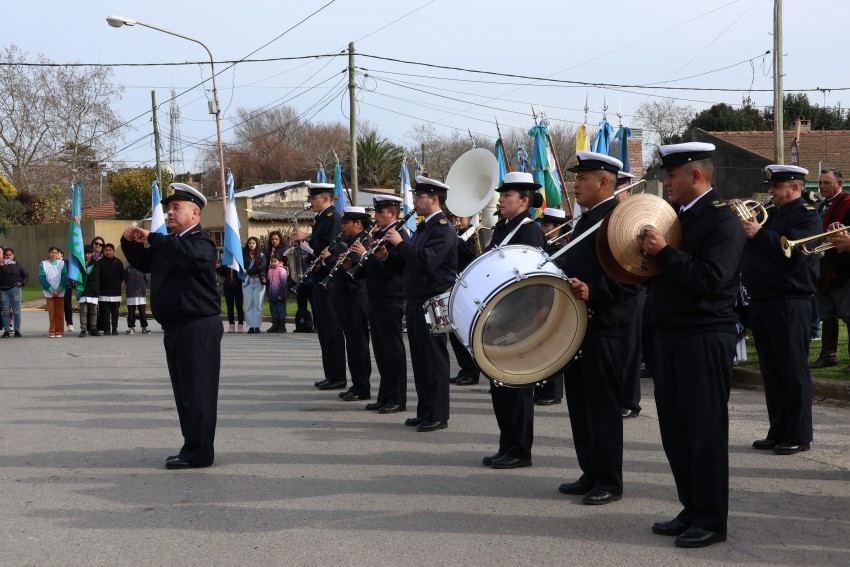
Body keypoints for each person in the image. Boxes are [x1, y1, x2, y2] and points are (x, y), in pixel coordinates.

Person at [640, 142, 745, 548]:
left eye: (672, 175)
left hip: (705, 335)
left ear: (695, 176)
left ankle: (712, 518)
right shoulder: (677, 218)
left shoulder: (723, 222)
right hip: (671, 334)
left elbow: (712, 279)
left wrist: (665, 253)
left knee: (704, 430)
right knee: (675, 430)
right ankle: (691, 505)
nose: (666, 182)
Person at [554, 153, 640, 503]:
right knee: (580, 404)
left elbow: (633, 276)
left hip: (605, 324)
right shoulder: (585, 219)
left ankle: (609, 480)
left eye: (583, 178)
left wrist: (596, 292)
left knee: (603, 407)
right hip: (578, 325)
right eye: (577, 178)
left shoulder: (619, 218)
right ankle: (590, 470)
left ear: (604, 182)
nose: (575, 184)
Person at [121, 182, 223, 469]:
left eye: (176, 208)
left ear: (195, 214)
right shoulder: (170, 244)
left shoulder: (201, 242)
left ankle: (201, 452)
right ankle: (191, 446)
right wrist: (129, 241)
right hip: (176, 327)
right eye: (168, 209)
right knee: (184, 392)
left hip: (198, 326)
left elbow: (190, 257)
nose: (169, 213)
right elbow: (144, 260)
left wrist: (154, 238)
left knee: (198, 392)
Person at [741, 164, 819, 456]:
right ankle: (778, 430)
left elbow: (795, 257)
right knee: (771, 371)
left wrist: (759, 233)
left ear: (795, 188)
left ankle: (798, 434)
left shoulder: (806, 216)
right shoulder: (772, 215)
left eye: (776, 186)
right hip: (763, 300)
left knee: (792, 370)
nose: (770, 191)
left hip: (790, 301)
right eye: (770, 186)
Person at [475, 171, 546, 466]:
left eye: (506, 196)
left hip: (520, 315)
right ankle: (507, 444)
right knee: (499, 385)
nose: (501, 200)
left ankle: (520, 450)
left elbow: (536, 276)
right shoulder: (504, 227)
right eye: (502, 195)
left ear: (523, 201)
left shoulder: (529, 230)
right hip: (500, 314)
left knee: (516, 387)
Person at [384, 175, 457, 432]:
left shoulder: (443, 228)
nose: (414, 200)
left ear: (434, 199)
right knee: (421, 359)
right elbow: (409, 264)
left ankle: (438, 414)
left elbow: (427, 261)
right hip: (416, 301)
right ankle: (425, 410)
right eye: (415, 196)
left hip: (433, 301)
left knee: (434, 360)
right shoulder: (424, 227)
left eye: (419, 196)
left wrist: (401, 244)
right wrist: (386, 256)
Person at [350, 195, 409, 413]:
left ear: (392, 213)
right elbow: (373, 268)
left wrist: (366, 254)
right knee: (381, 351)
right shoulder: (381, 234)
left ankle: (397, 398)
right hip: (376, 298)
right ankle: (385, 395)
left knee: (393, 351)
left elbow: (395, 270)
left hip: (391, 298)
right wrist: (357, 262)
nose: (376, 216)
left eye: (380, 212)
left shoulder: (399, 235)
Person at [292, 183, 346, 391]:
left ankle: (338, 376)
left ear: (325, 198)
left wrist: (307, 238)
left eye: (313, 198)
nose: (310, 202)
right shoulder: (322, 218)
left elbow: (331, 245)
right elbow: (320, 247)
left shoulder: (333, 217)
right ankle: (330, 374)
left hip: (329, 281)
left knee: (331, 328)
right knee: (323, 328)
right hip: (319, 277)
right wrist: (309, 253)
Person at [328, 206, 373, 401]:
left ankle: (362, 386)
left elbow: (357, 269)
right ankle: (356, 384)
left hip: (356, 296)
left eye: (346, 222)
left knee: (358, 343)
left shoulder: (363, 240)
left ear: (358, 224)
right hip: (344, 295)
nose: (342, 225)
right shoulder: (346, 240)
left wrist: (332, 261)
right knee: (352, 343)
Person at [810, 168, 850, 369]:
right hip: (822, 268)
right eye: (820, 183)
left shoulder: (847, 203)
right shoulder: (819, 205)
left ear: (839, 184)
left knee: (848, 314)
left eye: (826, 183)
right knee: (826, 313)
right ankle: (828, 355)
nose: (822, 186)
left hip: (841, 267)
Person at [615, 172, 645, 419]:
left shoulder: (635, 216)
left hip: (631, 290)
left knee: (629, 348)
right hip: (611, 290)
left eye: (619, 191)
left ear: (627, 192)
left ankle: (630, 400)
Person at [533, 207, 568, 406]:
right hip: (540, 299)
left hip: (552, 301)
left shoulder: (561, 248)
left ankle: (553, 392)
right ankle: (541, 388)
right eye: (542, 224)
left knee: (552, 346)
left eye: (546, 225)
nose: (543, 228)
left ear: (557, 228)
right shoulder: (545, 246)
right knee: (540, 346)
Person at [449, 214, 481, 386]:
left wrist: (457, 241)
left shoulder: (476, 233)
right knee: (454, 333)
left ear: (470, 218)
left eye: (461, 216)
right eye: (454, 216)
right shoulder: (452, 233)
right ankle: (464, 368)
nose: (457, 219)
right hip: (453, 286)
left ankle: (473, 371)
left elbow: (474, 256)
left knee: (467, 332)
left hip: (469, 288)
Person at [38, 246, 68, 338]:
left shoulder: (62, 264)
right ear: (49, 253)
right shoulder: (43, 264)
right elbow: (42, 278)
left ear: (58, 254)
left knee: (59, 312)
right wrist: (51, 290)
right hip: (49, 291)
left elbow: (64, 277)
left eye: (55, 253)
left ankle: (59, 331)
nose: (53, 254)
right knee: (51, 312)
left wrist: (59, 289)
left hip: (60, 291)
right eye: (52, 252)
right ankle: (52, 330)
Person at [0, 247, 29, 337]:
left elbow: (26, 275)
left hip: (15, 289)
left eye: (10, 255)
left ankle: (17, 330)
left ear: (13, 255)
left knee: (16, 311)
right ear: (4, 256)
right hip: (3, 291)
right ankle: (6, 331)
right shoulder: (1, 266)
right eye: (6, 255)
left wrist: (22, 282)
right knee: (5, 311)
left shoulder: (19, 266)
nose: (8, 256)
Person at [97, 243, 124, 336]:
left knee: (115, 312)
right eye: (106, 250)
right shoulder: (99, 263)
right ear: (103, 252)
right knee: (104, 312)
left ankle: (115, 329)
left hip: (115, 292)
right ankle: (106, 329)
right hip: (103, 292)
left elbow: (122, 276)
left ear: (113, 251)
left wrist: (115, 284)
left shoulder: (118, 262)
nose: (108, 252)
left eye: (110, 250)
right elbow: (98, 277)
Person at [265, 230, 288, 333]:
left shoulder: (284, 250)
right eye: (272, 239)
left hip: (280, 281)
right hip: (270, 281)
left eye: (276, 239)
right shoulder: (268, 251)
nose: (274, 241)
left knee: (280, 306)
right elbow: (264, 265)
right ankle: (274, 324)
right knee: (272, 306)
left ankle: (281, 326)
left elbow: (287, 265)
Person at [242, 236, 267, 334]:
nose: (251, 245)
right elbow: (241, 267)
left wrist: (248, 271)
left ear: (257, 244)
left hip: (258, 282)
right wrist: (249, 272)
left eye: (253, 243)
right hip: (247, 282)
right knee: (248, 304)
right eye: (249, 243)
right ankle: (250, 326)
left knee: (258, 304)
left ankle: (257, 326)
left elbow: (261, 267)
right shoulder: (243, 255)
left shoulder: (261, 255)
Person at [216, 256, 245, 334]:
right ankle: (231, 324)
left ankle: (240, 324)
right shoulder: (226, 260)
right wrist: (218, 268)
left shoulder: (239, 260)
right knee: (230, 307)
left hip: (238, 286)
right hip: (228, 287)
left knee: (239, 306)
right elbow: (222, 273)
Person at [77, 245, 101, 337]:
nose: (87, 255)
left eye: (89, 253)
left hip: (93, 291)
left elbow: (95, 276)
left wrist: (84, 277)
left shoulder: (95, 263)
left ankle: (93, 328)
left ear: (92, 254)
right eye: (85, 253)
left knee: (93, 311)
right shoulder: (80, 264)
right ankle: (83, 329)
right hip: (83, 291)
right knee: (83, 311)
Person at [124, 265, 150, 334]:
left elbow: (146, 279)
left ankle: (144, 328)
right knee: (131, 312)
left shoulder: (143, 268)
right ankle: (131, 328)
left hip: (141, 293)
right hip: (131, 293)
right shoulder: (127, 268)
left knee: (142, 312)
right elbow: (126, 280)